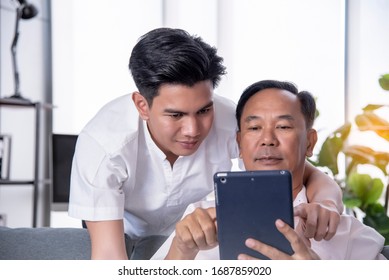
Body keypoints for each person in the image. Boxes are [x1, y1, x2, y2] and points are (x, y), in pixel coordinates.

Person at [68, 28, 343, 260]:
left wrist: (327, 203)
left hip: (205, 243)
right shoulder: (104, 147)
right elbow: (108, 260)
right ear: (142, 105)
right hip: (126, 233)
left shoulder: (230, 122)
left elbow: (296, 166)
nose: (193, 130)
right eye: (175, 115)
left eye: (203, 110)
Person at [153, 80, 386, 260]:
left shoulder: (345, 233)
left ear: (310, 143)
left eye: (283, 126)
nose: (267, 139)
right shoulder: (200, 217)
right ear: (239, 144)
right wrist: (181, 253)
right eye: (254, 127)